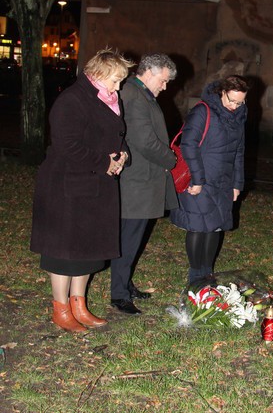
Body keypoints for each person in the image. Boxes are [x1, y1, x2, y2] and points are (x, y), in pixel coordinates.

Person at [30, 49, 132, 333]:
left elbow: (116, 135)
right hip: (68, 187)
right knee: (64, 252)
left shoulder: (108, 99)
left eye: (120, 81)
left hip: (96, 187)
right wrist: (104, 163)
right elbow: (67, 145)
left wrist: (123, 155)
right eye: (115, 80)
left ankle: (79, 306)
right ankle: (61, 309)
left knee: (88, 249)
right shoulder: (72, 100)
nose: (118, 87)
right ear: (98, 73)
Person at [110, 53, 178, 314]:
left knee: (133, 238)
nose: (165, 86)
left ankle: (125, 285)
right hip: (136, 182)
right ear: (149, 72)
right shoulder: (134, 95)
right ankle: (119, 295)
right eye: (163, 80)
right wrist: (171, 159)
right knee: (128, 240)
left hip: (142, 181)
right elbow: (144, 141)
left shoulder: (140, 94)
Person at [170, 75, 249, 286]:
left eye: (240, 102)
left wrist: (237, 184)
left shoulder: (239, 115)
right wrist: (197, 179)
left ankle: (207, 273)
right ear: (222, 92)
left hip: (223, 182)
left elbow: (238, 152)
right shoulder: (202, 111)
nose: (234, 106)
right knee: (198, 226)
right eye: (231, 100)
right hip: (200, 180)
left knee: (214, 226)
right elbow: (188, 146)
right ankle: (195, 275)